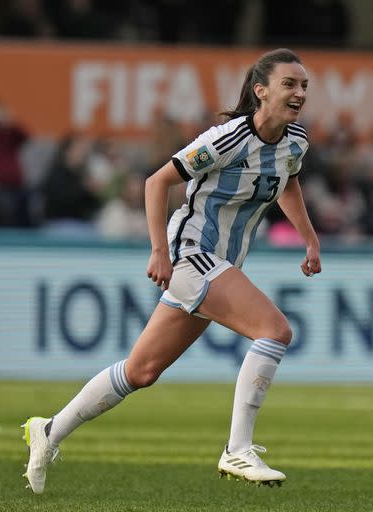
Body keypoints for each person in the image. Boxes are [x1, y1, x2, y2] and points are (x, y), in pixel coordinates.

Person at [21, 48, 321, 493]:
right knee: (274, 331)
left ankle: (48, 431)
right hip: (193, 254)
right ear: (261, 91)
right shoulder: (226, 138)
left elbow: (287, 181)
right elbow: (157, 181)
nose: (299, 92)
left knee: (140, 371)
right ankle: (237, 448)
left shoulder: (295, 141)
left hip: (220, 263)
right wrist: (160, 250)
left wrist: (309, 237)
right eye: (289, 84)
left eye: (303, 86)